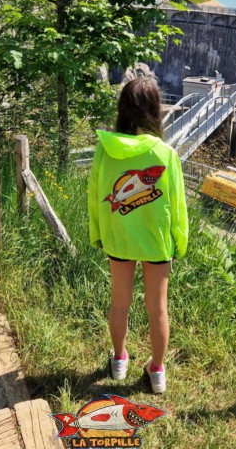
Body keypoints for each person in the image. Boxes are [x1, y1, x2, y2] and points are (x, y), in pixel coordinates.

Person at [88, 77, 188, 394]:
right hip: (157, 240)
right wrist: (179, 241)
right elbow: (177, 204)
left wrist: (99, 234)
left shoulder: (105, 150)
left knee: (119, 303)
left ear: (123, 109)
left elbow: (95, 196)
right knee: (157, 308)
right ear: (155, 110)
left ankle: (119, 361)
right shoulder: (165, 154)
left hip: (118, 237)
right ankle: (157, 371)